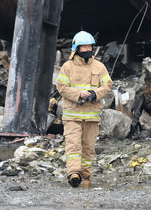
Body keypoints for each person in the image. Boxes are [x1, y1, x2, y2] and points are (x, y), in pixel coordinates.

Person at [57, 31, 113, 188]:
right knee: (74, 146)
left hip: (92, 116)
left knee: (88, 148)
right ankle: (74, 173)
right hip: (72, 116)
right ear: (77, 48)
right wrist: (78, 94)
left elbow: (108, 85)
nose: (88, 49)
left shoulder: (99, 66)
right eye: (85, 46)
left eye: (90, 46)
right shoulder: (67, 67)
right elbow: (62, 87)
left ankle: (86, 176)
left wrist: (95, 94)